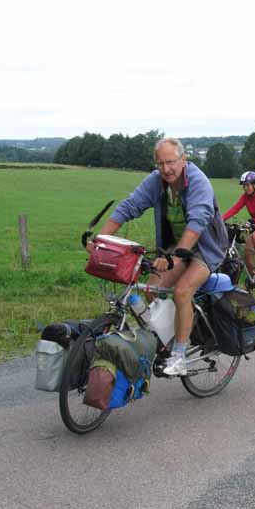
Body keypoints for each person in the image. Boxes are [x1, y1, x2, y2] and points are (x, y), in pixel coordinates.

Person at [87, 137, 227, 377]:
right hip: (175, 247)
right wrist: (101, 241)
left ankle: (180, 355)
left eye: (171, 162)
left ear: (184, 159)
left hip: (205, 248)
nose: (166, 169)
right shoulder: (158, 181)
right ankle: (171, 335)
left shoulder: (198, 182)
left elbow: (198, 220)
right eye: (160, 163)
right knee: (152, 289)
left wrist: (178, 257)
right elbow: (129, 207)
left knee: (183, 291)